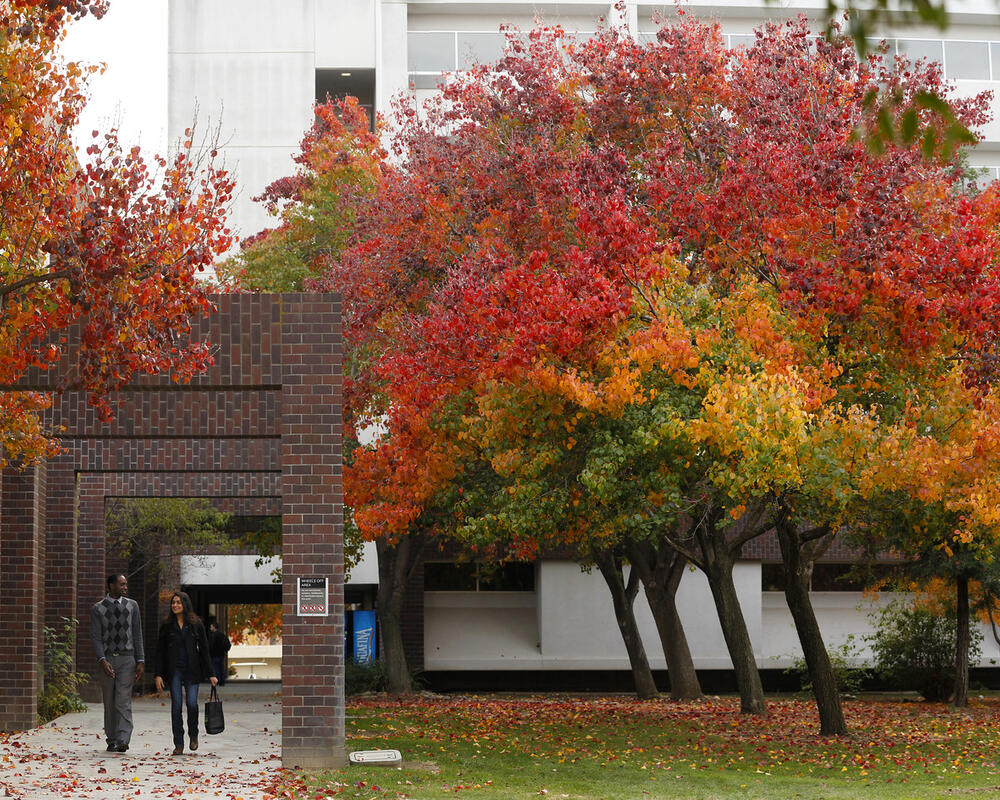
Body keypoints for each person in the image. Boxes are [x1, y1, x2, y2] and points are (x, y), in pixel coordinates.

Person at [153, 591, 217, 755]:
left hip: (192, 670)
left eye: (178, 602)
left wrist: (211, 674)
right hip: (174, 671)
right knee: (176, 707)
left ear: (185, 604)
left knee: (192, 704)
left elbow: (204, 650)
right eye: (173, 602)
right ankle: (179, 743)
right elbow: (159, 651)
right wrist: (158, 674)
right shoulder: (167, 625)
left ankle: (193, 735)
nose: (175, 605)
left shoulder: (196, 624)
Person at [89, 573, 145, 753]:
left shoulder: (132, 606)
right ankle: (111, 738)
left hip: (127, 659)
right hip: (107, 659)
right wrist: (102, 660)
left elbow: (137, 635)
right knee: (109, 702)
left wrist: (140, 660)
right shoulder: (98, 609)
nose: (125, 587)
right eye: (122, 584)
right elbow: (96, 638)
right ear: (111, 585)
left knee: (123, 700)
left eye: (126, 584)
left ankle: (123, 739)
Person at [206, 616, 232, 687]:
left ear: (214, 627)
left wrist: (209, 653)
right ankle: (222, 681)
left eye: (211, 627)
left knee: (215, 668)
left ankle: (217, 681)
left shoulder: (213, 636)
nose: (210, 628)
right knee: (221, 668)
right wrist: (224, 650)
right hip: (221, 654)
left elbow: (211, 646)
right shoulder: (222, 635)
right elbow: (228, 644)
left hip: (214, 655)